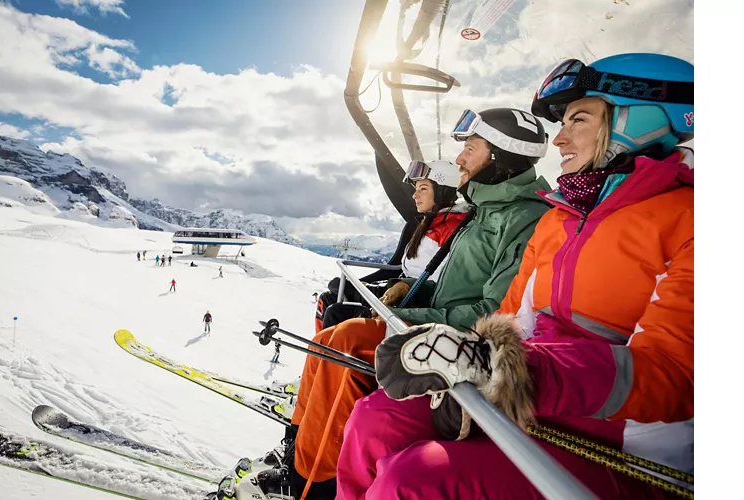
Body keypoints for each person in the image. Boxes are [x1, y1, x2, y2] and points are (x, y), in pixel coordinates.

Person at [337, 53, 694, 500]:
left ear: (641, 120)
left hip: (625, 445)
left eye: (577, 120)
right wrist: (475, 355)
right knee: (376, 418)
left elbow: (675, 373)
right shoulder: (561, 219)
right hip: (530, 403)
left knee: (414, 481)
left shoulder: (692, 221)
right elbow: (510, 319)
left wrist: (503, 369)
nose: (559, 138)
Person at [235, 107, 552, 499]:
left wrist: (404, 315)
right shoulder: (485, 208)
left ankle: (308, 485)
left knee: (346, 340)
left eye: (470, 148)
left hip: (459, 342)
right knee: (334, 336)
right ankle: (299, 447)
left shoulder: (523, 218)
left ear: (501, 157)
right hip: (434, 325)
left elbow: (496, 309)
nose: (460, 159)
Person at [314, 160, 465, 333]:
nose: (415, 196)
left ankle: (328, 356)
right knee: (330, 295)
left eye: (423, 189)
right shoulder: (420, 224)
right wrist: (361, 284)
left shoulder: (455, 230)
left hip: (413, 300)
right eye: (416, 189)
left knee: (335, 311)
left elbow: (443, 284)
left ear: (443, 191)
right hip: (396, 291)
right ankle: (319, 356)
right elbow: (395, 267)